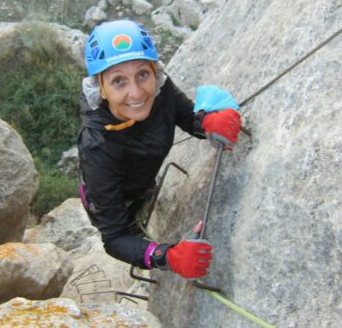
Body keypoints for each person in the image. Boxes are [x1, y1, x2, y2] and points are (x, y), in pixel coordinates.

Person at [77, 19, 241, 279]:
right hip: (117, 200)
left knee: (145, 192)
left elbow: (187, 116)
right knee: (131, 226)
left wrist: (208, 123)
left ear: (154, 71)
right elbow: (115, 237)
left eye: (143, 74)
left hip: (143, 179)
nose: (136, 93)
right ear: (102, 88)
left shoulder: (161, 91)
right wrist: (167, 256)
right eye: (119, 81)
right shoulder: (97, 147)